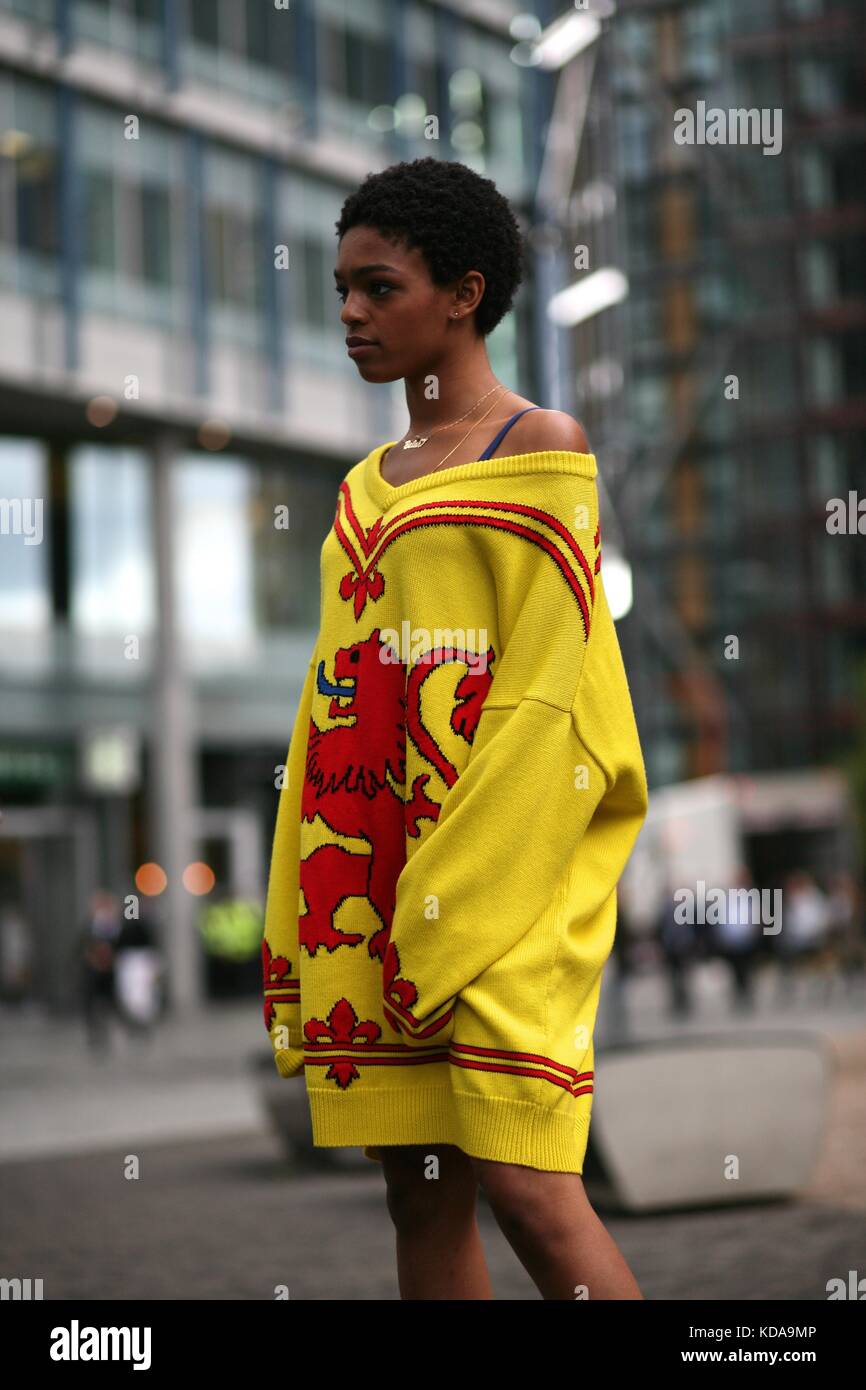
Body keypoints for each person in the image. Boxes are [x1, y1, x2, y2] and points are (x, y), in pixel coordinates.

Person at [261, 159, 648, 1300]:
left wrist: (453, 901)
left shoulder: (541, 446)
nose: (348, 314)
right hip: (368, 878)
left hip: (496, 877)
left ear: (463, 291)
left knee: (531, 1187)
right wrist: (307, 902)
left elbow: (546, 699)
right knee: (417, 1189)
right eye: (339, 288)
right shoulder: (360, 486)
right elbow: (328, 706)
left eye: (377, 287)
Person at [78, 889, 124, 1053]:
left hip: (109, 972)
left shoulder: (115, 926)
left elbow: (119, 946)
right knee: (91, 1004)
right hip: (93, 972)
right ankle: (94, 1033)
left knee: (110, 1003)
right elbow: (81, 947)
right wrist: (93, 959)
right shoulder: (89, 925)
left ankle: (110, 1032)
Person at [712, 865, 761, 1013]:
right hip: (731, 940)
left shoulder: (751, 897)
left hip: (746, 939)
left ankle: (747, 995)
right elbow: (722, 918)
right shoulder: (728, 898)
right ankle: (738, 995)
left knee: (746, 970)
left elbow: (755, 917)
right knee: (735, 971)